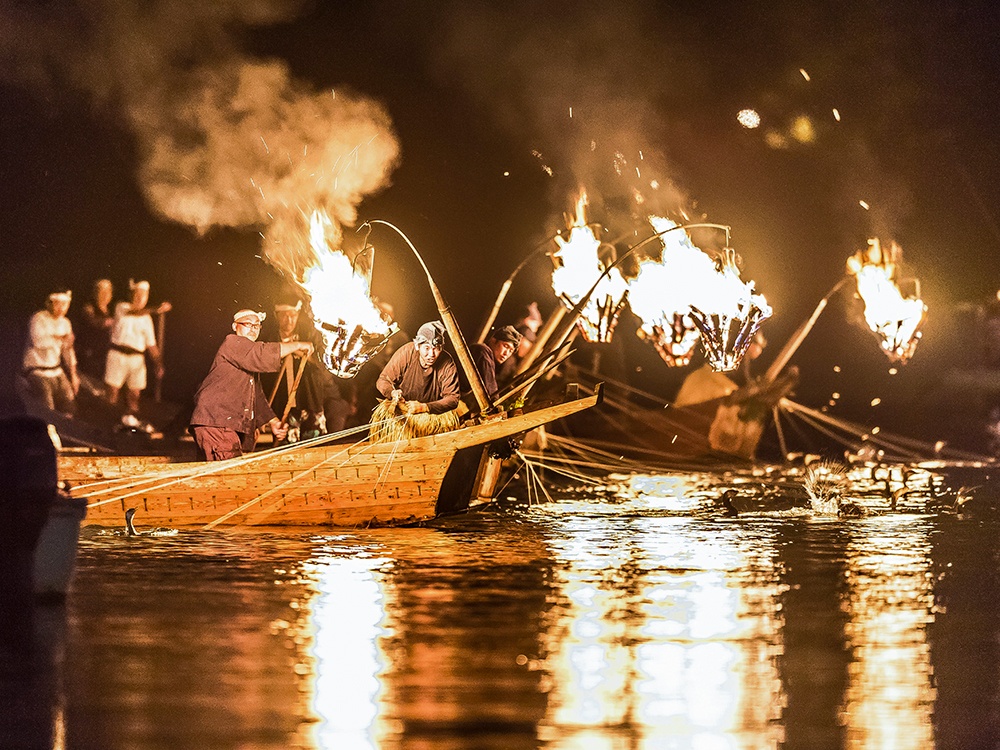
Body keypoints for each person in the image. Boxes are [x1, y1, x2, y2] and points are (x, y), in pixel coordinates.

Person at [189, 309, 314, 461]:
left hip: (219, 424)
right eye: (248, 324)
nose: (253, 329)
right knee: (229, 474)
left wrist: (273, 422)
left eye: (257, 326)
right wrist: (298, 345)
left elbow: (256, 396)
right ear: (235, 326)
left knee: (219, 475)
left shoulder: (246, 358)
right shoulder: (232, 343)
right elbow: (261, 354)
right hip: (216, 421)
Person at [271, 297, 354, 437]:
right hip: (284, 404)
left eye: (293, 315)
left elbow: (321, 363)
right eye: (284, 315)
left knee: (314, 444)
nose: (289, 320)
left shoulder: (309, 336)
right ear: (276, 315)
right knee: (287, 448)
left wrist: (299, 349)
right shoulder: (271, 340)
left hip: (310, 400)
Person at [103, 279, 171, 429]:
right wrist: (156, 310)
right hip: (117, 355)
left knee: (134, 395)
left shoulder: (147, 319)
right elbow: (134, 312)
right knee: (112, 393)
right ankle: (108, 424)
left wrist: (158, 364)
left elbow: (151, 345)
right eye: (138, 294)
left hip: (137, 359)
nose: (140, 298)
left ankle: (131, 426)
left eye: (144, 295)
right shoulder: (122, 307)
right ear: (132, 294)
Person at [17, 287, 79, 417]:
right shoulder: (38, 319)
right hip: (37, 371)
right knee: (47, 408)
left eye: (64, 304)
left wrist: (73, 375)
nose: (61, 308)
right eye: (57, 304)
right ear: (49, 303)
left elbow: (68, 351)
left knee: (70, 404)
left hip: (56, 371)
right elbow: (39, 343)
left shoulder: (65, 323)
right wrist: (61, 337)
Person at [468, 324, 523, 404]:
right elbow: (491, 391)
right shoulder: (482, 352)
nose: (506, 353)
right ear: (493, 341)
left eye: (510, 351)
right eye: (505, 346)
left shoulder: (489, 357)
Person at [77, 278, 114, 379]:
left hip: (104, 356)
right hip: (90, 356)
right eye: (102, 291)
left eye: (108, 291)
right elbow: (93, 321)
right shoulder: (89, 308)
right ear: (95, 293)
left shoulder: (109, 311)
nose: (105, 295)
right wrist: (110, 322)